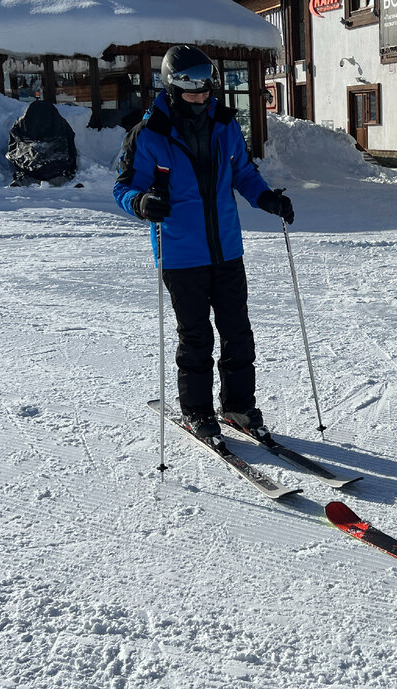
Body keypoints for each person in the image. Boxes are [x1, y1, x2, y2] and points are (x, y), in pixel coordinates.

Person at [113, 45, 294, 440]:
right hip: (181, 254)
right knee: (196, 337)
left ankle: (239, 407)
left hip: (227, 249)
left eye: (206, 89)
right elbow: (124, 187)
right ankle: (197, 411)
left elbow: (243, 173)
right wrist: (141, 202)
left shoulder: (225, 124)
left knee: (238, 333)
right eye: (192, 90)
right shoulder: (149, 135)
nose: (201, 97)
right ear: (173, 88)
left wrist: (266, 198)